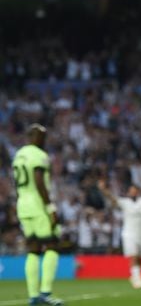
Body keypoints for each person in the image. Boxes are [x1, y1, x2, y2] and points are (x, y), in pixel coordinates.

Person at [12, 124, 64, 306]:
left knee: (33, 248)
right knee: (52, 244)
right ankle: (46, 293)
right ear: (34, 136)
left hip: (23, 204)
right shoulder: (38, 155)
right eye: (43, 136)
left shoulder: (18, 155)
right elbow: (38, 180)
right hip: (37, 205)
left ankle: (33, 296)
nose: (45, 140)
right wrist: (50, 208)